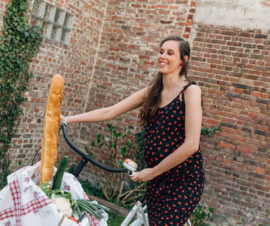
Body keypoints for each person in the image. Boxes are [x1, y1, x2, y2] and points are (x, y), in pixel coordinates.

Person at [61, 35, 205, 226]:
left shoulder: (190, 92)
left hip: (183, 179)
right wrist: (67, 119)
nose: (162, 56)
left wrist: (152, 172)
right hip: (157, 178)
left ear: (183, 60)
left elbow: (191, 145)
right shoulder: (152, 92)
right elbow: (110, 111)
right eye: (161, 51)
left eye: (170, 53)